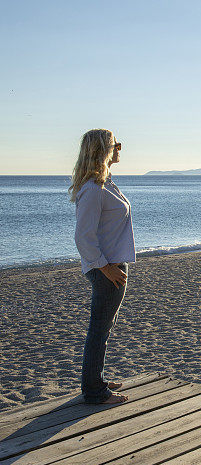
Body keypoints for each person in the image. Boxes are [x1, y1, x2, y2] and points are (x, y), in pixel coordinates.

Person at [69, 129, 135, 405]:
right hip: (106, 268)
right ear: (104, 150)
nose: (120, 148)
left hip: (111, 264)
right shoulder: (93, 189)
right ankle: (94, 391)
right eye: (115, 144)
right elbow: (83, 237)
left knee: (103, 327)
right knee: (99, 328)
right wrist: (105, 267)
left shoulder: (105, 184)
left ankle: (96, 380)